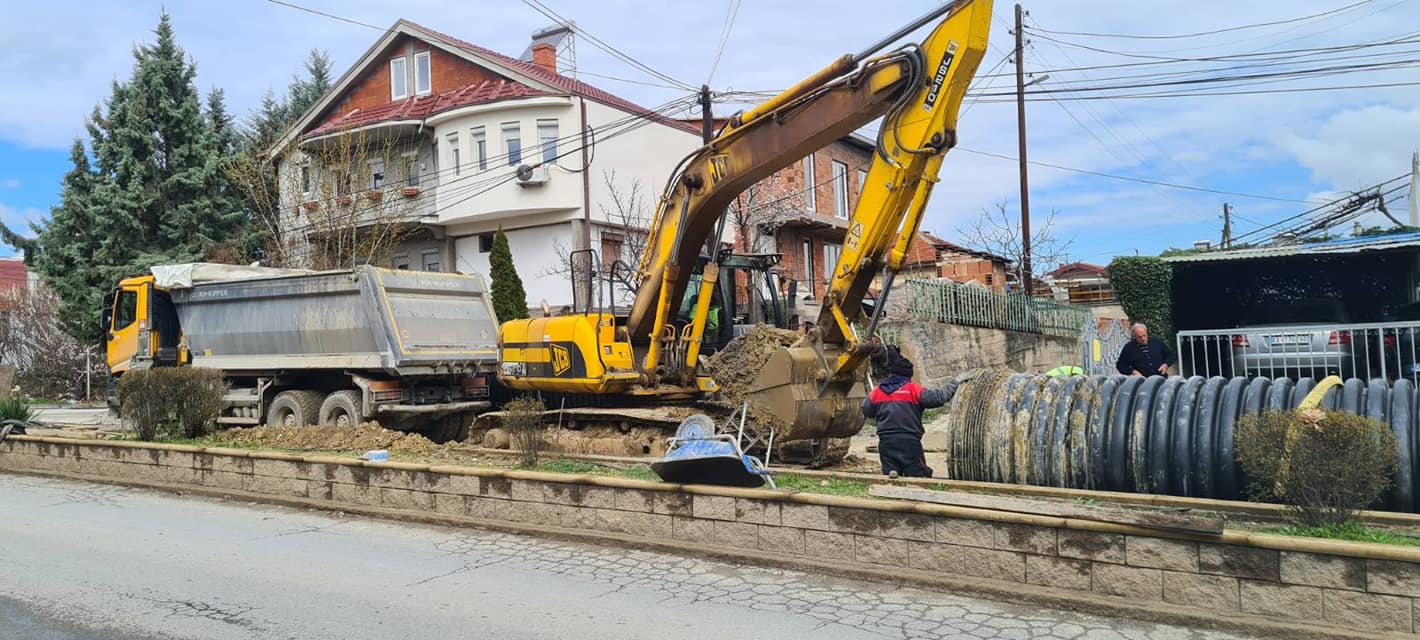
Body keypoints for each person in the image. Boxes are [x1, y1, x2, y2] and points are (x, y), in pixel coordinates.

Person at [861, 346, 960, 478]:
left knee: (891, 477)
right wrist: (956, 382)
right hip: (909, 443)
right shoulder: (913, 390)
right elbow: (939, 397)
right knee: (919, 476)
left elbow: (866, 410)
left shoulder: (878, 392)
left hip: (886, 443)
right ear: (907, 375)